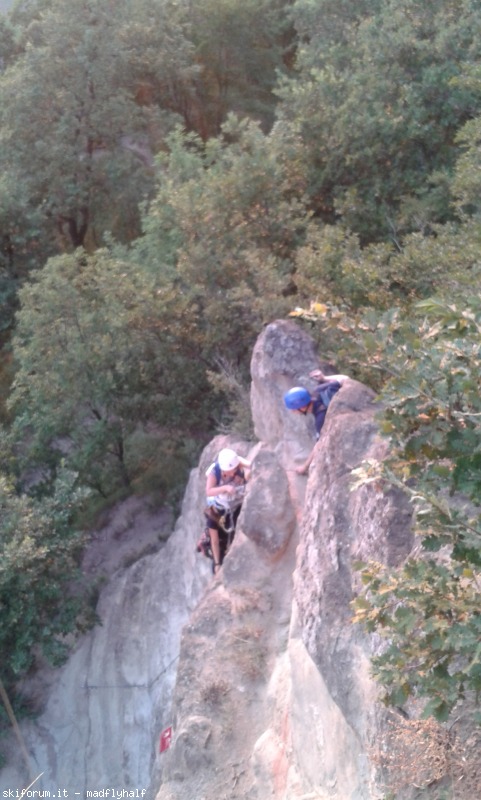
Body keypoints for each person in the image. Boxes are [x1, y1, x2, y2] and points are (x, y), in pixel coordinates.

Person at [284, 370, 348, 475]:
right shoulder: (318, 391)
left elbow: (319, 445)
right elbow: (345, 379)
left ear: (303, 407)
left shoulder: (321, 417)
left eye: (294, 409)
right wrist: (324, 378)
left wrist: (304, 467)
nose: (292, 411)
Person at [204, 447, 251, 574]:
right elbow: (209, 491)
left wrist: (247, 471)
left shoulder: (235, 465)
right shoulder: (215, 473)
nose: (234, 472)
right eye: (232, 470)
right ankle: (219, 564)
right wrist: (224, 488)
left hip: (235, 507)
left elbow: (249, 466)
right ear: (224, 469)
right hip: (220, 509)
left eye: (235, 469)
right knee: (217, 540)